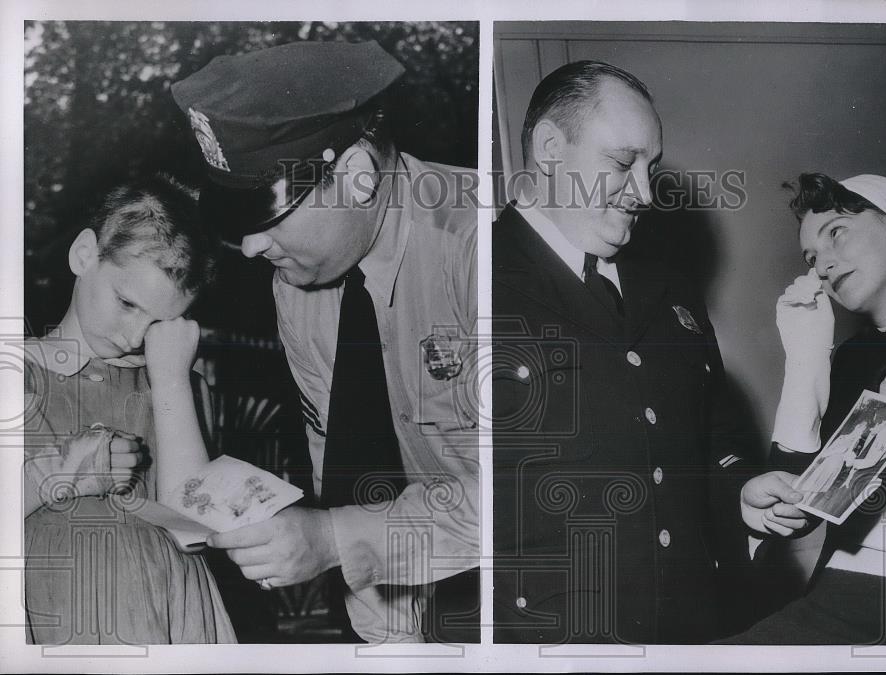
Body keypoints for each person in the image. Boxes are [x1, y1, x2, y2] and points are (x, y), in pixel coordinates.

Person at [171, 40, 479, 643]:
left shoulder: (480, 251)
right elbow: (342, 463)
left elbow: (528, 488)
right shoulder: (300, 289)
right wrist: (390, 644)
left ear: (357, 176)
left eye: (267, 218)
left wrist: (334, 538)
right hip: (420, 604)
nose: (252, 249)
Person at [492, 60, 751, 644]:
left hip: (690, 635)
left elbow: (712, 437)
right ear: (551, 148)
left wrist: (741, 492)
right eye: (621, 163)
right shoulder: (473, 280)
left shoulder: (671, 289)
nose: (643, 192)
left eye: (650, 167)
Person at [735, 173, 886, 645]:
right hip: (844, 597)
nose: (822, 264)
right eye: (811, 257)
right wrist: (806, 359)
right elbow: (796, 513)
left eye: (836, 232)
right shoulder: (853, 362)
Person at [23, 174, 236, 644]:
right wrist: (59, 473)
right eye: (126, 303)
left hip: (171, 613)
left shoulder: (175, 383)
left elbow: (191, 529)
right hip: (60, 613)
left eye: (161, 322)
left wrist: (172, 381)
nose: (136, 337)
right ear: (84, 255)